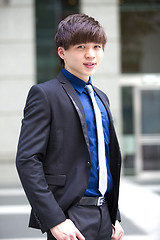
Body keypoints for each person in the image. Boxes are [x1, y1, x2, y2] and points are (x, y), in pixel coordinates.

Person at [16, 13, 124, 240]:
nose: (91, 54)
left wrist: (115, 215)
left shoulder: (101, 98)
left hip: (105, 216)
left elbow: (103, 161)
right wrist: (54, 219)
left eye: (97, 46)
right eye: (81, 46)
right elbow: (27, 160)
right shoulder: (45, 95)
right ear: (62, 52)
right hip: (70, 217)